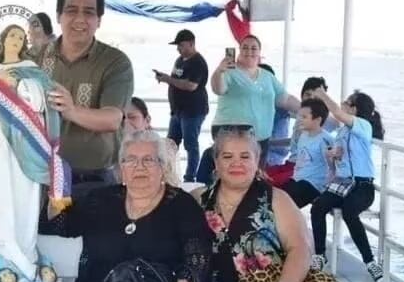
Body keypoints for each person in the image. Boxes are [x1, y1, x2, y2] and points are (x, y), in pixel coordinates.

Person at [39, 130, 211, 282]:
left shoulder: (182, 205)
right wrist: (57, 191)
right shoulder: (100, 200)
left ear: (162, 167)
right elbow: (58, 226)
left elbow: (198, 259)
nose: (139, 166)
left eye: (148, 159)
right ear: (120, 169)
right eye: (130, 160)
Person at [199, 127, 322, 282]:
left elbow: (301, 248)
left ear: (257, 161)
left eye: (245, 156)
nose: (237, 163)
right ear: (216, 161)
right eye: (227, 156)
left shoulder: (277, 199)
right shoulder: (199, 199)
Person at [0, 24, 67, 281]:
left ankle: (22, 252)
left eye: (20, 37)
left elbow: (41, 103)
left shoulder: (33, 72)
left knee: (23, 193)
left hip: (24, 139)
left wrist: (20, 85)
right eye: (12, 35)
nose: (16, 40)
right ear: (2, 40)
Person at [39, 0, 133, 196]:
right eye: (71, 10)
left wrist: (71, 111)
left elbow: (111, 120)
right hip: (42, 176)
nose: (80, 19)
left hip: (93, 181)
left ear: (99, 20)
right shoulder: (36, 57)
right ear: (58, 17)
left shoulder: (115, 62)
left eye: (89, 12)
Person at [309, 89, 385, 282]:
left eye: (346, 102)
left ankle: (370, 262)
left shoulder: (363, 125)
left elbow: (338, 113)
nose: (342, 104)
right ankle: (320, 254)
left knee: (350, 212)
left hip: (362, 186)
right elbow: (336, 163)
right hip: (342, 182)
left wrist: (323, 96)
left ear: (354, 108)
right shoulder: (342, 131)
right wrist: (332, 155)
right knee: (318, 207)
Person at [210, 35, 299, 167]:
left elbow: (284, 98)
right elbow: (218, 89)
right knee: (235, 173)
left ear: (259, 52)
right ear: (239, 50)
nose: (249, 51)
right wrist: (219, 71)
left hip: (260, 137)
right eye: (245, 47)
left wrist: (308, 109)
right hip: (232, 133)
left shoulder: (267, 76)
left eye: (253, 48)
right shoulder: (229, 71)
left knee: (257, 176)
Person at [154, 29, 209, 183]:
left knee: (190, 145)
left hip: (193, 111)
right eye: (177, 45)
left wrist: (167, 79)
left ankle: (189, 178)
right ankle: (167, 174)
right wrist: (165, 77)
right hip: (177, 111)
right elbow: (176, 80)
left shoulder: (198, 62)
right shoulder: (179, 60)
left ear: (191, 44)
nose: (178, 48)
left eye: (181, 45)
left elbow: (191, 85)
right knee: (170, 144)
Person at [280, 99, 334, 208]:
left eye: (304, 117)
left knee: (284, 206)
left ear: (318, 120)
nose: (299, 120)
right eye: (299, 116)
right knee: (274, 196)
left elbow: (333, 167)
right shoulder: (303, 135)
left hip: (313, 185)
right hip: (297, 179)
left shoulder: (325, 139)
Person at [123, 96, 180, 186]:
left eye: (132, 117)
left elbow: (171, 183)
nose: (125, 123)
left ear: (147, 120)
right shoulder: (110, 149)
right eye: (121, 118)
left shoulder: (164, 148)